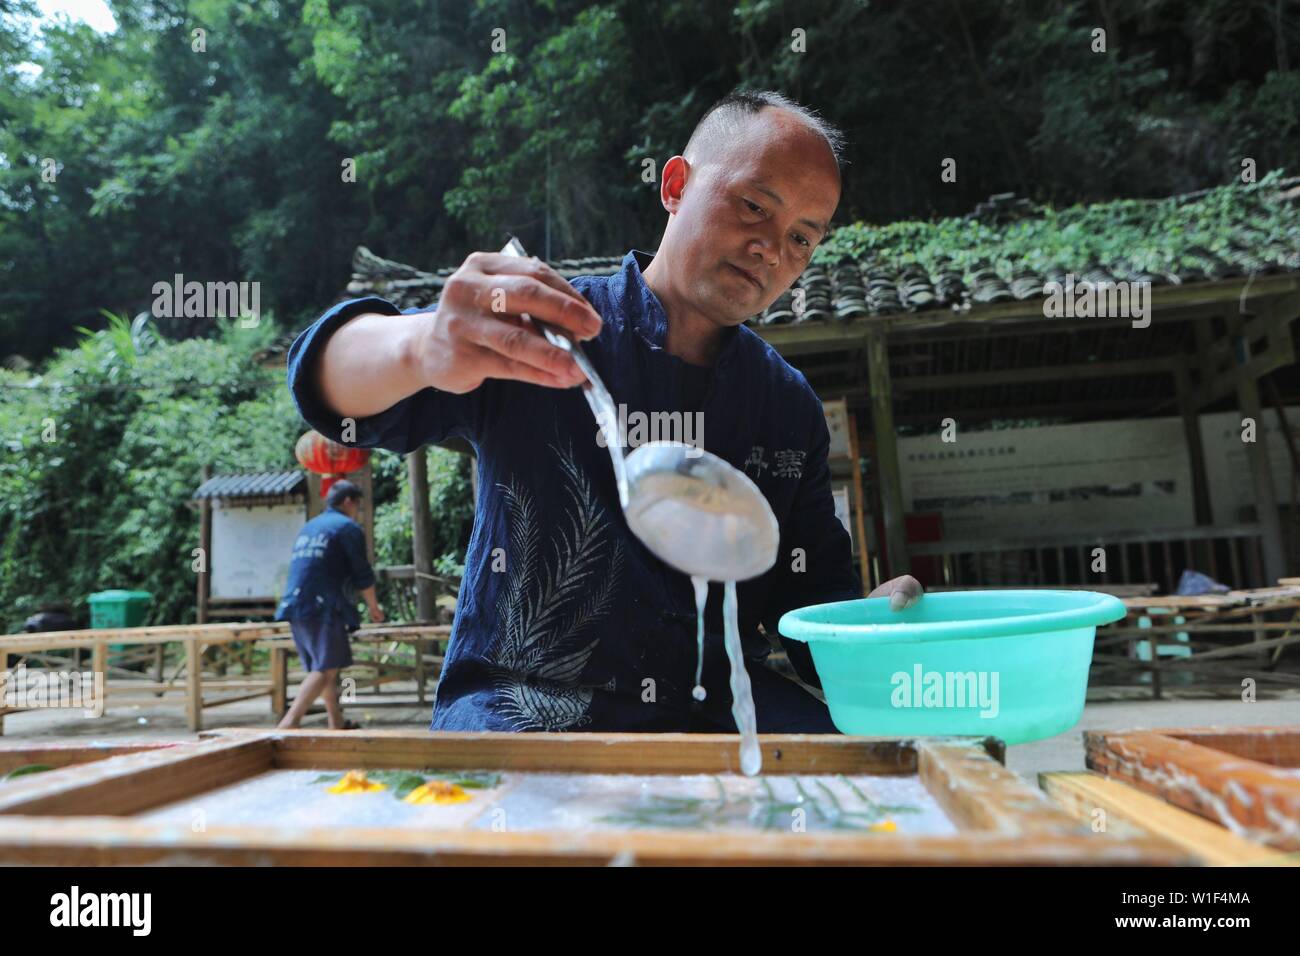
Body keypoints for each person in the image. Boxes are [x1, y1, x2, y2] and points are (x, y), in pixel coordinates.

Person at [287, 89, 921, 733]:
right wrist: (419, 347)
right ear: (675, 184)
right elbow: (327, 386)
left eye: (802, 239)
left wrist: (870, 626)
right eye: (754, 206)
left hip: (719, 710)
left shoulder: (787, 406)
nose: (771, 249)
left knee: (875, 788)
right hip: (526, 702)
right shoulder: (548, 331)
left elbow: (810, 604)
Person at [275, 479, 384, 729]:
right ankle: (288, 725)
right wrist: (374, 608)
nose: (357, 510)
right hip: (322, 605)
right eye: (357, 505)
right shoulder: (347, 527)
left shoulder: (310, 527)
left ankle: (336, 723)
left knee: (325, 667)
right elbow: (362, 574)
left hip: (296, 604)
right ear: (348, 502)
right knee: (325, 669)